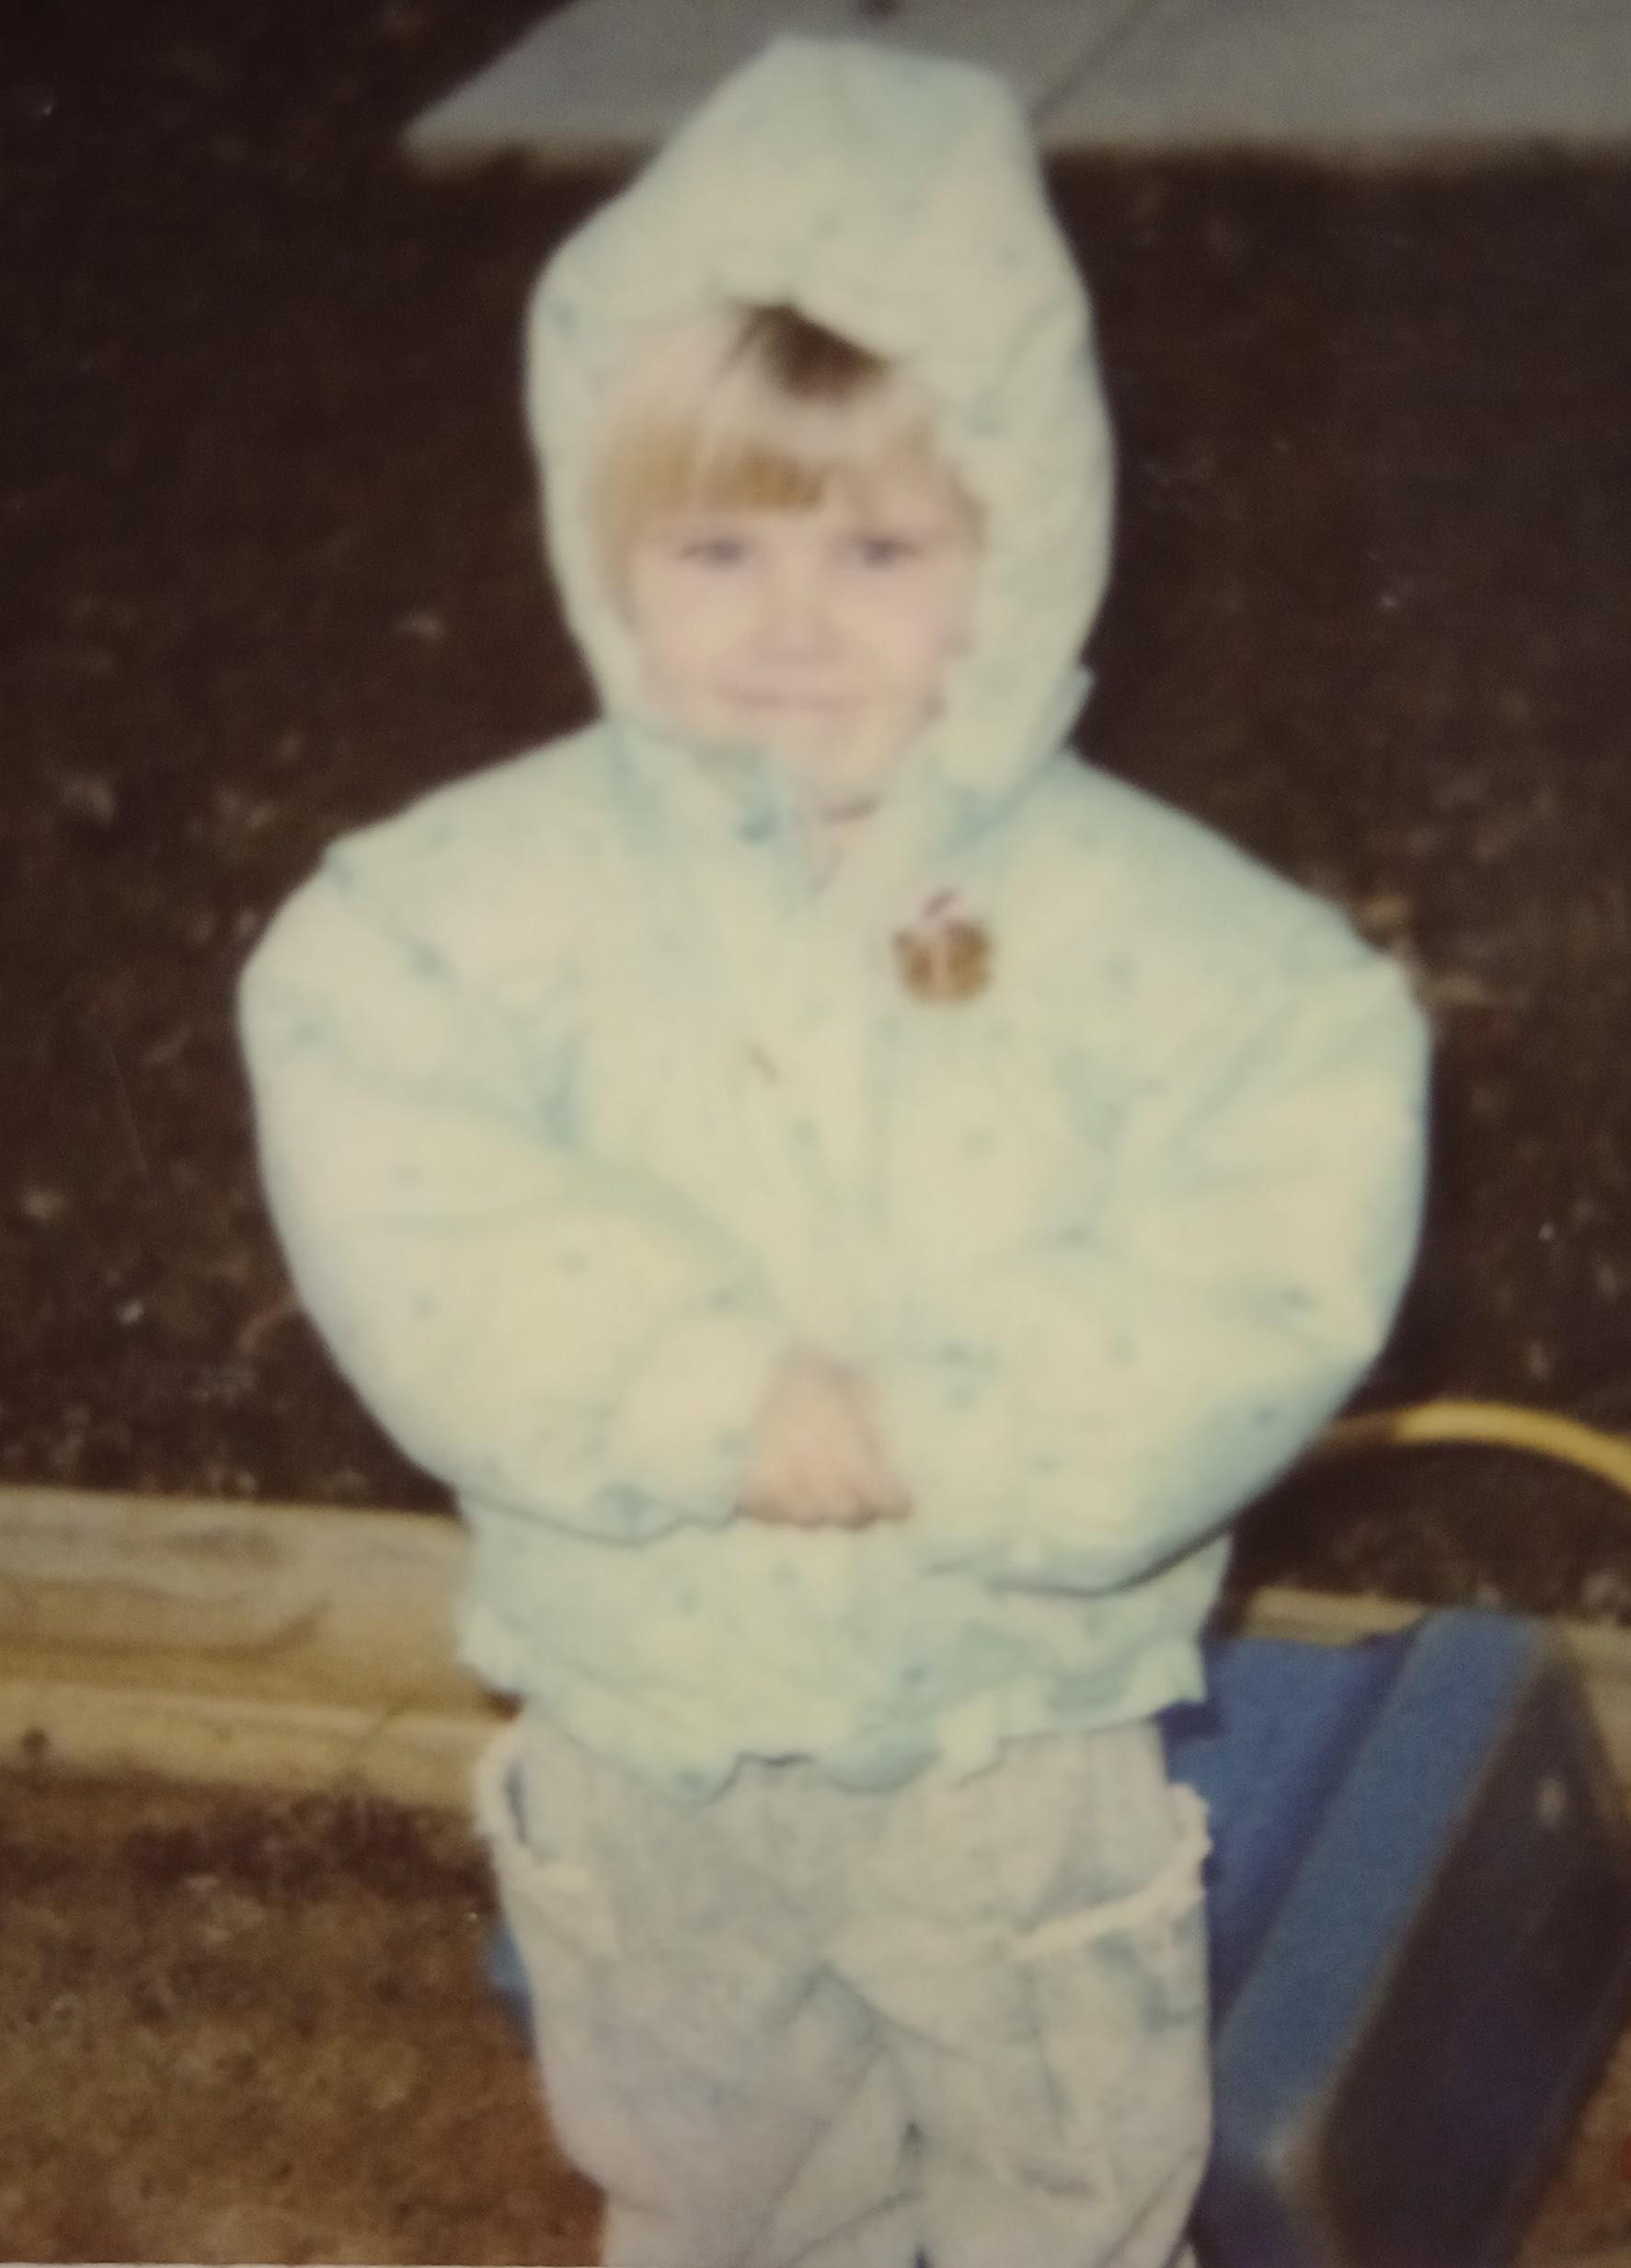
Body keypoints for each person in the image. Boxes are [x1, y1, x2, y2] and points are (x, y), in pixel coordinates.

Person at [238, 37, 1429, 2268]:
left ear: (1016, 537)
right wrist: (706, 1397)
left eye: (876, 545)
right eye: (717, 544)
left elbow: (1270, 1208)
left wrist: (949, 1426)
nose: (793, 621)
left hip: (1001, 1717)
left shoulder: (1167, 944)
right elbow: (412, 1184)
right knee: (705, 2164)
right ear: (608, 546)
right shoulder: (451, 914)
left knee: (1059, 2156)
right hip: (648, 1712)